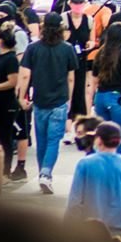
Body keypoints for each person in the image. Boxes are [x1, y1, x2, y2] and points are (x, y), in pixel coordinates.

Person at [17, 13, 79, 194]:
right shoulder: (67, 49)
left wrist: (22, 96)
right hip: (59, 99)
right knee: (54, 140)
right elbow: (71, 78)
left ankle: (42, 174)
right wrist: (69, 100)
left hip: (39, 100)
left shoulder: (33, 48)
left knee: (41, 140)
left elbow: (26, 74)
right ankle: (46, 172)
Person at [65, 121, 121, 240]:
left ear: (98, 140)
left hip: (88, 230)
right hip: (119, 231)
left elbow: (74, 202)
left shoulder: (85, 164)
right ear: (120, 141)